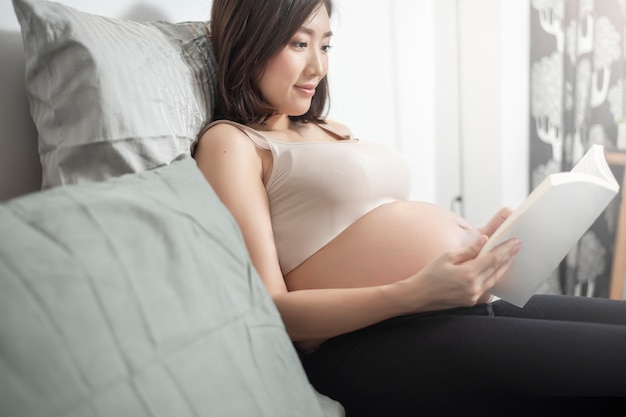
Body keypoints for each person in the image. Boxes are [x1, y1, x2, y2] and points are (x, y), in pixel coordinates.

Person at [194, 0, 626, 414]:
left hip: (452, 308)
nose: (318, 67)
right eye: (299, 44)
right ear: (250, 39)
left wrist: (476, 245)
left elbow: (366, 232)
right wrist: (418, 290)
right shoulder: (232, 144)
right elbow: (271, 309)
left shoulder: (331, 129)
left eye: (325, 45)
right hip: (369, 342)